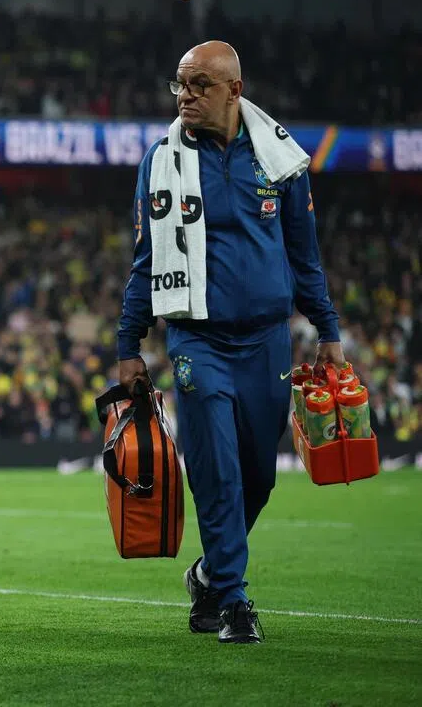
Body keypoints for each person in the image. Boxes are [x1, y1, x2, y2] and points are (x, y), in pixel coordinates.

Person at [117, 41, 344, 644]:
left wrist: (329, 331)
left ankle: (211, 576)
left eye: (199, 86)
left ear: (234, 91)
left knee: (258, 480)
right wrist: (128, 343)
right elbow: (146, 259)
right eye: (180, 85)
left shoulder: (279, 159)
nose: (185, 97)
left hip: (268, 343)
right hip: (197, 340)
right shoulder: (160, 159)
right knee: (216, 469)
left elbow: (305, 254)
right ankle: (237, 602)